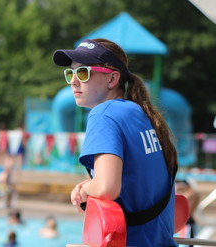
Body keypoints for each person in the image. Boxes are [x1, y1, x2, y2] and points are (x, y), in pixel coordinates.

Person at [53, 38, 178, 247]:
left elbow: (106, 187)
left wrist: (82, 191)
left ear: (112, 79)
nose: (74, 80)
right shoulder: (140, 113)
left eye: (83, 72)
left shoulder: (103, 115)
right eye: (70, 73)